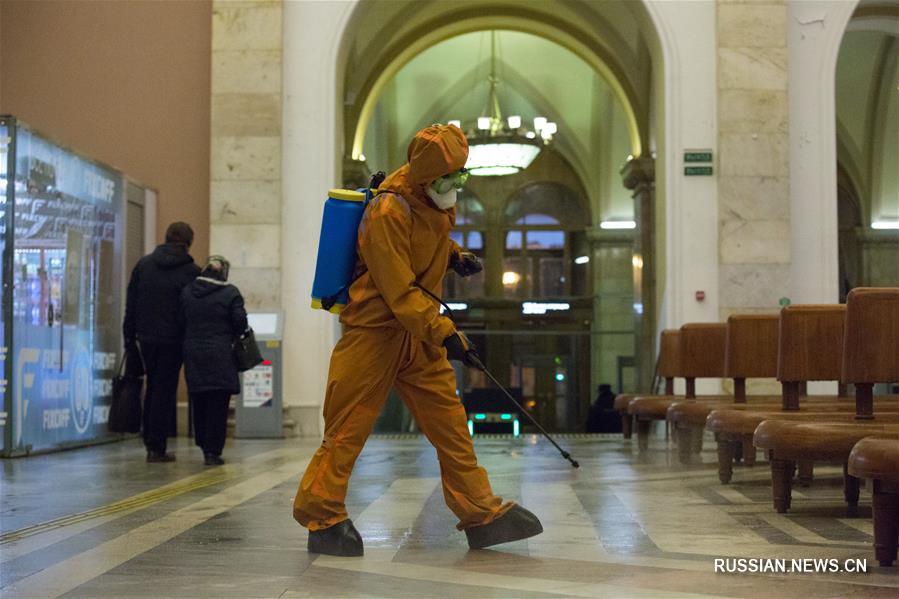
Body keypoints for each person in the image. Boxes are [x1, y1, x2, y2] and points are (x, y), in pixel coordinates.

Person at [293, 124, 543, 557]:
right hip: (376, 333)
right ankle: (322, 516)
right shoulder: (387, 211)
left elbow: (426, 241)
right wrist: (446, 333)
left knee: (449, 425)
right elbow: (399, 290)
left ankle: (480, 512)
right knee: (348, 427)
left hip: (416, 335)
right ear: (426, 176)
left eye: (462, 176)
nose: (458, 185)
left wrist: (453, 256)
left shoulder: (431, 201)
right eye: (451, 178)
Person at [123, 222, 200, 462]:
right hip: (174, 340)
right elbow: (192, 309)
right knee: (164, 390)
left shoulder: (144, 265)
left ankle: (151, 441)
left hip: (145, 337)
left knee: (153, 386)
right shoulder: (191, 272)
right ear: (188, 243)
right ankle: (156, 445)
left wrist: (129, 336)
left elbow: (131, 303)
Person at [179, 256, 248, 466]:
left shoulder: (187, 292)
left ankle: (202, 443)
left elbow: (180, 320)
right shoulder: (230, 293)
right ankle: (213, 451)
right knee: (218, 402)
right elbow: (240, 322)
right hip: (221, 354)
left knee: (199, 398)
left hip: (193, 352)